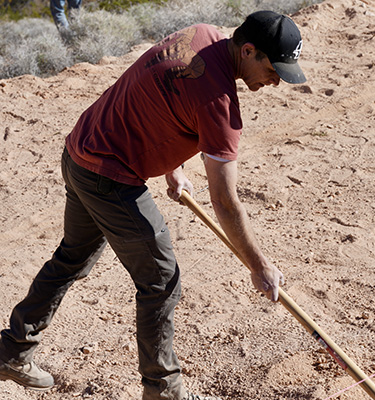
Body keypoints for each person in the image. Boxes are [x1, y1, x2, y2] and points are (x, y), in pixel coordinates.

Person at [0, 10, 306, 400]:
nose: (276, 81)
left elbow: (158, 93)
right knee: (161, 280)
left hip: (79, 151)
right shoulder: (221, 107)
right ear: (248, 50)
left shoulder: (200, 35)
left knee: (72, 256)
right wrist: (259, 266)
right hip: (111, 178)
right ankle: (163, 391)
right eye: (274, 70)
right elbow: (225, 202)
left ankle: (12, 351)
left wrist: (172, 168)